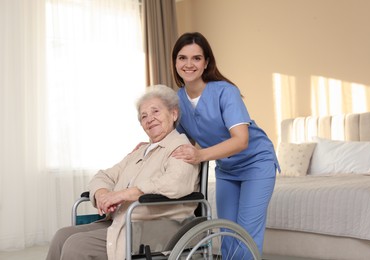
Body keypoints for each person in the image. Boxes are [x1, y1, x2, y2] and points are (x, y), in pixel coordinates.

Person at [46, 85, 200, 260]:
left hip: (154, 228)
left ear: (173, 114)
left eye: (155, 111)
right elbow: (104, 175)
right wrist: (103, 195)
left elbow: (174, 183)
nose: (150, 119)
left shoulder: (181, 147)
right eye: (144, 116)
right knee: (61, 237)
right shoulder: (140, 151)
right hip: (121, 221)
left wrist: (122, 195)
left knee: (77, 246)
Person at [170, 32, 279, 258]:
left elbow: (241, 139)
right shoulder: (177, 100)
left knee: (246, 233)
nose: (189, 64)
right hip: (227, 169)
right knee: (227, 233)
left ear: (206, 62)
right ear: (175, 62)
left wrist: (200, 155)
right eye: (182, 58)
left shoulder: (225, 91)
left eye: (196, 58)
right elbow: (177, 140)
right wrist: (147, 146)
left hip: (256, 164)